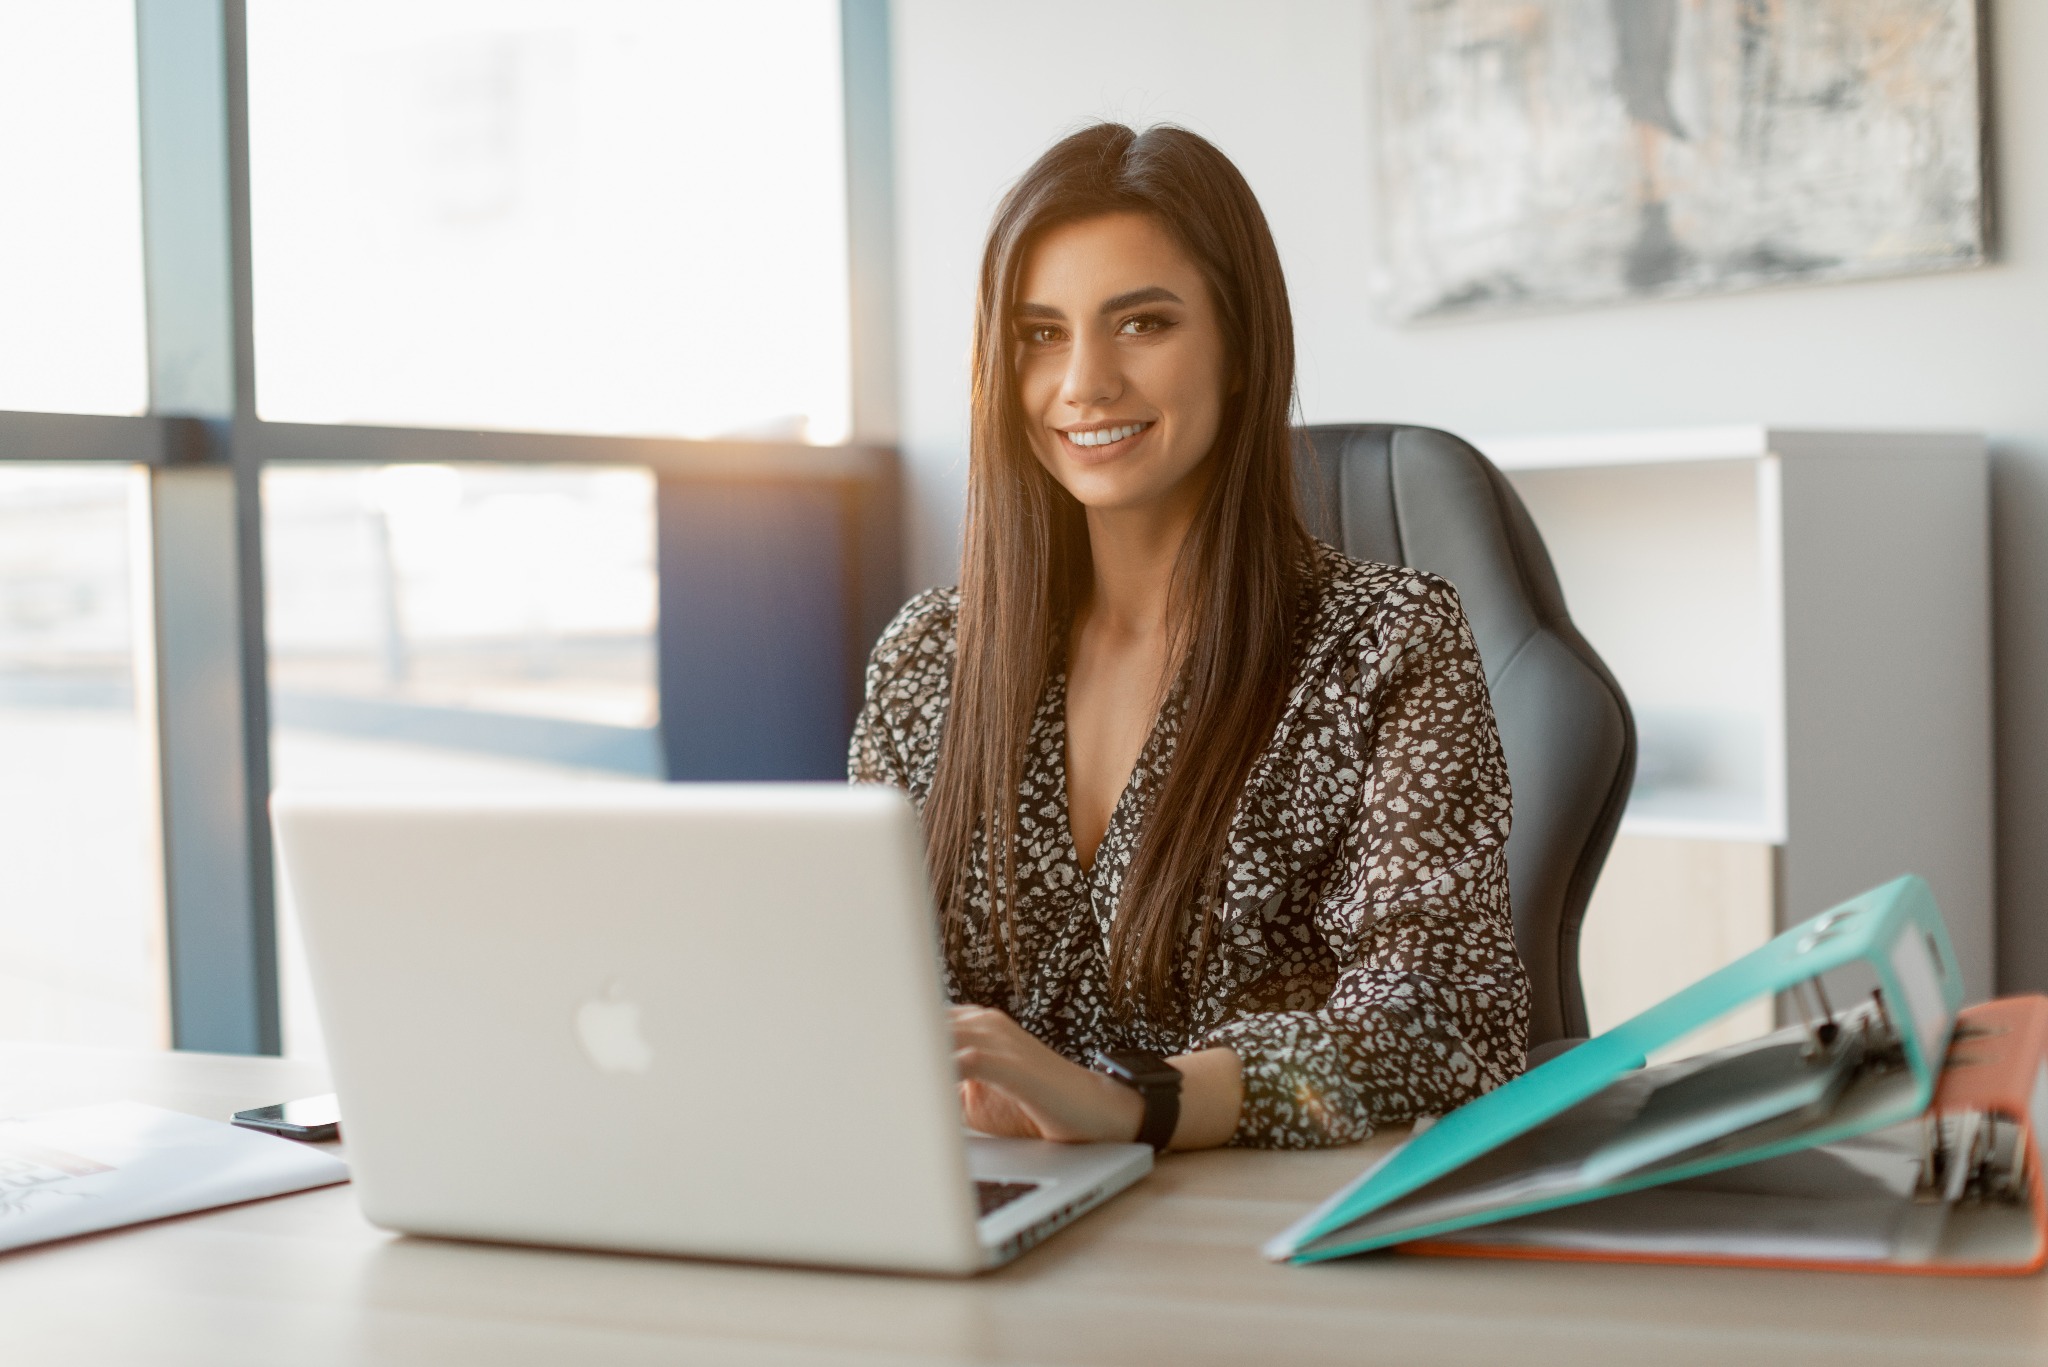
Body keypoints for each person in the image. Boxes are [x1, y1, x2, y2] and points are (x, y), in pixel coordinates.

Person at [850, 123, 1527, 1151]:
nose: (1082, 382)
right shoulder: (926, 656)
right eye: (1038, 333)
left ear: (1243, 350)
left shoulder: (1385, 643)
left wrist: (1137, 1102)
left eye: (1141, 324)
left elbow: (1446, 1020)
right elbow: (849, 986)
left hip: (1260, 1238)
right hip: (987, 1206)